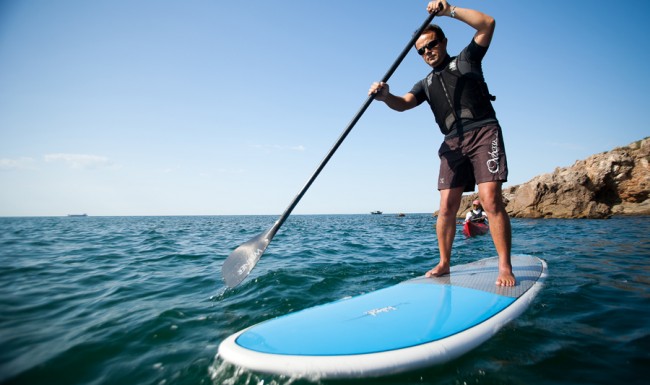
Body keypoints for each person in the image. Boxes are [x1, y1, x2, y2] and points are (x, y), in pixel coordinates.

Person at [368, 0, 515, 286]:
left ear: (443, 41)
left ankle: (505, 265)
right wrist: (386, 96)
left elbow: (488, 24)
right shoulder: (424, 84)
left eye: (431, 45)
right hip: (452, 142)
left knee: (490, 200)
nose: (427, 52)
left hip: (484, 132)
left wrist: (449, 11)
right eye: (421, 51)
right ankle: (445, 263)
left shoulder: (466, 60)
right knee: (447, 205)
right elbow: (403, 104)